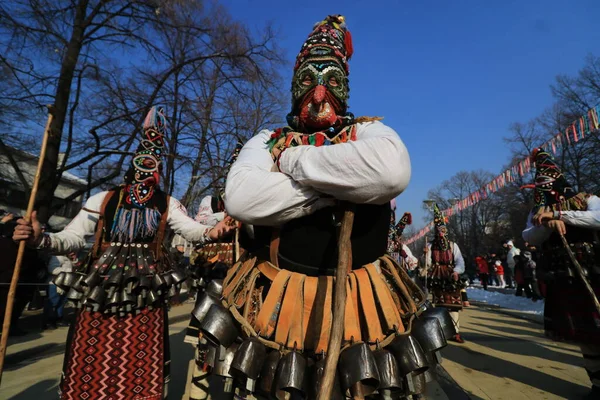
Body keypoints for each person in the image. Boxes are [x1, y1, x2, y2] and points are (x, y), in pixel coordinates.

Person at [187, 15, 438, 399]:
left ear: (345, 89)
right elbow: (242, 197)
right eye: (308, 81)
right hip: (280, 303)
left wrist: (291, 163)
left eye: (331, 81)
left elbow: (390, 172)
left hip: (365, 302)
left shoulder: (369, 131)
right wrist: (342, 185)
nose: (319, 95)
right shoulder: (267, 139)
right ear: (293, 87)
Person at [13, 107, 234, 400]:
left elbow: (191, 229)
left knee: (141, 358)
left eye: (152, 163)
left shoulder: (167, 202)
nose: (146, 170)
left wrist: (212, 232)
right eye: (142, 161)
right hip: (99, 289)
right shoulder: (102, 199)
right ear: (132, 164)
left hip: (146, 290)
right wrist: (41, 239)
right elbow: (72, 237)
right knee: (90, 354)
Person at [522, 147, 600, 398]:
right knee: (585, 334)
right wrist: (545, 222)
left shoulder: (588, 199)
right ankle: (597, 383)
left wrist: (560, 215)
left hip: (595, 272)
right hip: (566, 278)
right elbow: (529, 236)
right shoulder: (536, 212)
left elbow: (598, 219)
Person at [423, 203, 466, 343]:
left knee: (453, 305)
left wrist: (456, 271)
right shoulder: (430, 246)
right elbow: (427, 264)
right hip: (436, 277)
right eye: (439, 230)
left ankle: (455, 332)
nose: (441, 233)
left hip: (450, 277)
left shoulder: (453, 245)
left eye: (443, 230)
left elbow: (460, 261)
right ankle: (442, 332)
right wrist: (424, 256)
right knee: (440, 306)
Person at [43, 252, 78, 329]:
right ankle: (49, 321)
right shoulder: (57, 257)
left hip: (64, 284)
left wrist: (74, 261)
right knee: (53, 303)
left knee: (61, 302)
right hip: (55, 284)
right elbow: (52, 269)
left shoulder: (67, 258)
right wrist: (69, 269)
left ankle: (58, 319)